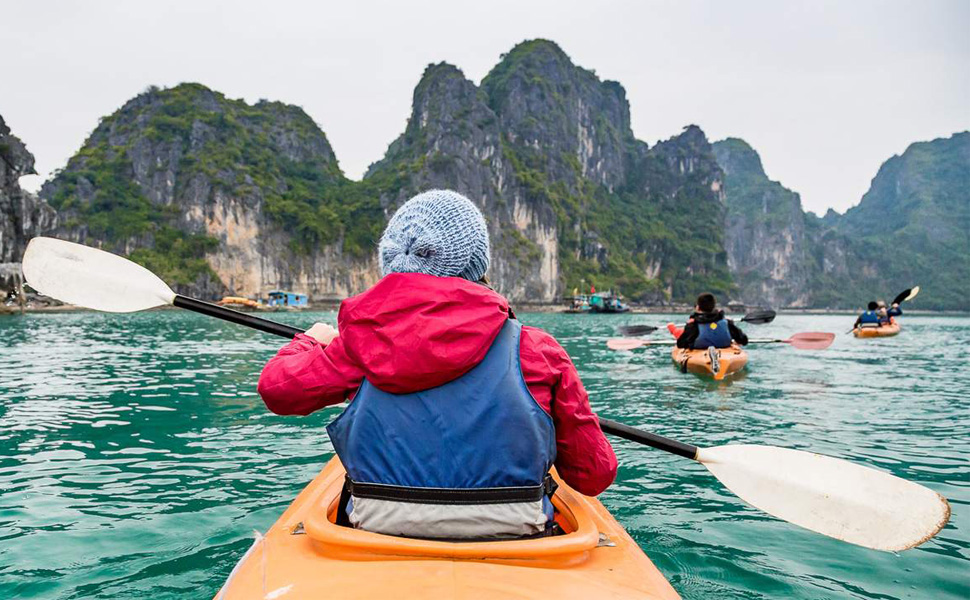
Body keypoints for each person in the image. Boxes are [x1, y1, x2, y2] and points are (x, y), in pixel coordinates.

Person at [257, 190, 617, 540]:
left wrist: (311, 341)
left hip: (376, 533)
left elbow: (277, 391)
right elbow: (593, 475)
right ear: (477, 263)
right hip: (517, 533)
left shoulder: (357, 345)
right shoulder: (538, 350)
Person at [675, 293, 748, 349]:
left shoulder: (693, 325)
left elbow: (680, 344)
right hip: (723, 351)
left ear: (698, 307)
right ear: (713, 306)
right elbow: (744, 340)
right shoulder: (727, 323)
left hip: (700, 352)